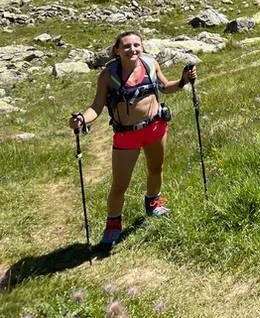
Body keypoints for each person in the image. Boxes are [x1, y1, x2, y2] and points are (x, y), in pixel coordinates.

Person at [69, 31, 196, 247]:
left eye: (137, 45)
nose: (133, 49)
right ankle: (112, 226)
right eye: (126, 46)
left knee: (156, 169)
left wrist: (183, 80)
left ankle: (153, 203)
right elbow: (96, 107)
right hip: (126, 135)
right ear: (116, 50)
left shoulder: (150, 64)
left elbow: (165, 87)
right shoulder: (108, 75)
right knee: (120, 184)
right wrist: (82, 119)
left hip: (156, 127)